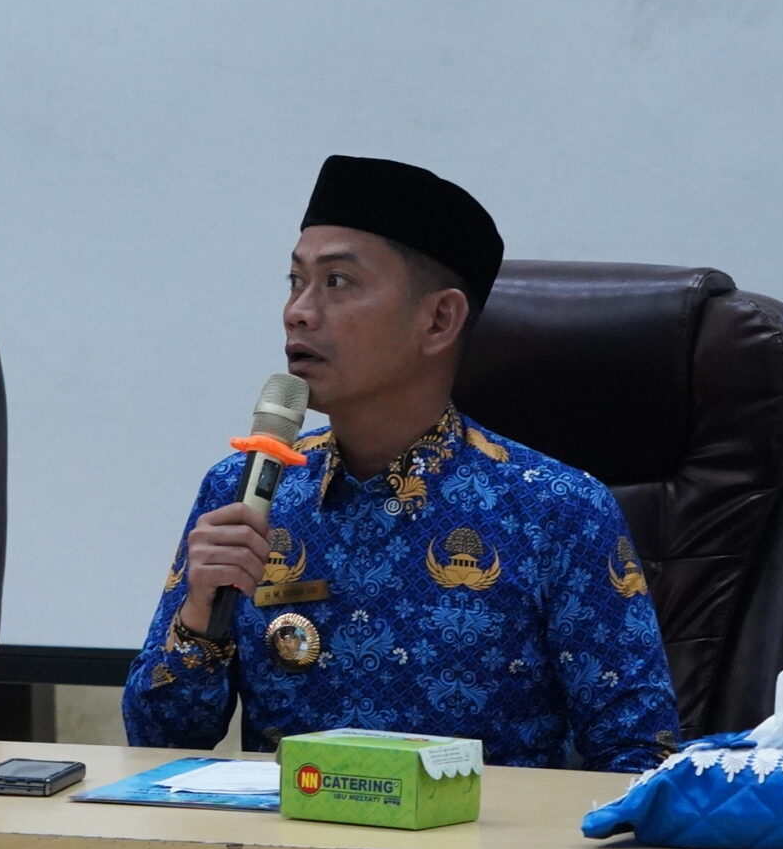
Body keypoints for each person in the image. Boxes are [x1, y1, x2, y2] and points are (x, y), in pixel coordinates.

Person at [122, 156, 680, 771]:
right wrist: (201, 618)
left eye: (337, 282)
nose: (298, 311)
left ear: (439, 320)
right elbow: (158, 744)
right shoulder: (245, 488)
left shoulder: (557, 510)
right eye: (295, 281)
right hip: (293, 832)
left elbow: (639, 757)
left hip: (481, 833)